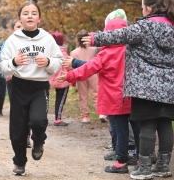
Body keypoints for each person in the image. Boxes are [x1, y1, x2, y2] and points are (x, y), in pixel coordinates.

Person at [82, 0, 174, 179]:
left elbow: (119, 35)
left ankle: (144, 168)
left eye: (142, 7)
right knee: (165, 125)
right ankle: (163, 166)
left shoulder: (143, 27)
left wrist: (95, 38)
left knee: (146, 125)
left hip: (144, 86)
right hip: (170, 86)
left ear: (148, 8)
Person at [58, 9, 140, 174]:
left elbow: (88, 68)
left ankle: (121, 161)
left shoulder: (106, 54)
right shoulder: (132, 51)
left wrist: (69, 76)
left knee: (121, 130)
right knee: (137, 128)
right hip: (133, 97)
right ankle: (140, 158)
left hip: (115, 99)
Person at [0, 0, 63, 176]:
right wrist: (14, 62)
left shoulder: (47, 39)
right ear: (20, 18)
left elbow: (58, 62)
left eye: (34, 13)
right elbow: (1, 66)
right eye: (26, 14)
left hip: (40, 87)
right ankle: (19, 162)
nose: (30, 16)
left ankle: (39, 141)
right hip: (19, 86)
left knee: (38, 121)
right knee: (17, 130)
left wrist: (48, 62)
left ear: (39, 18)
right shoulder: (13, 40)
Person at [1, 19, 32, 147]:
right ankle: (20, 136)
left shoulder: (33, 42)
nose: (20, 28)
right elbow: (1, 60)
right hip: (13, 79)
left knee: (29, 108)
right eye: (18, 26)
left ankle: (28, 135)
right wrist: (6, 73)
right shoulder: (8, 43)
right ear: (12, 29)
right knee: (18, 110)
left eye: (22, 26)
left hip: (30, 79)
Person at [70, 30, 106, 123]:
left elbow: (72, 66)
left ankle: (85, 116)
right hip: (93, 73)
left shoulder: (74, 52)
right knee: (96, 93)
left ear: (77, 40)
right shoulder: (94, 49)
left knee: (83, 95)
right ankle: (101, 113)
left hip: (80, 75)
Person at [49, 31, 72, 126]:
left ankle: (56, 117)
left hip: (54, 78)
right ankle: (58, 118)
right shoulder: (62, 52)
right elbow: (68, 65)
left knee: (57, 99)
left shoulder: (50, 51)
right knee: (61, 99)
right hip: (63, 78)